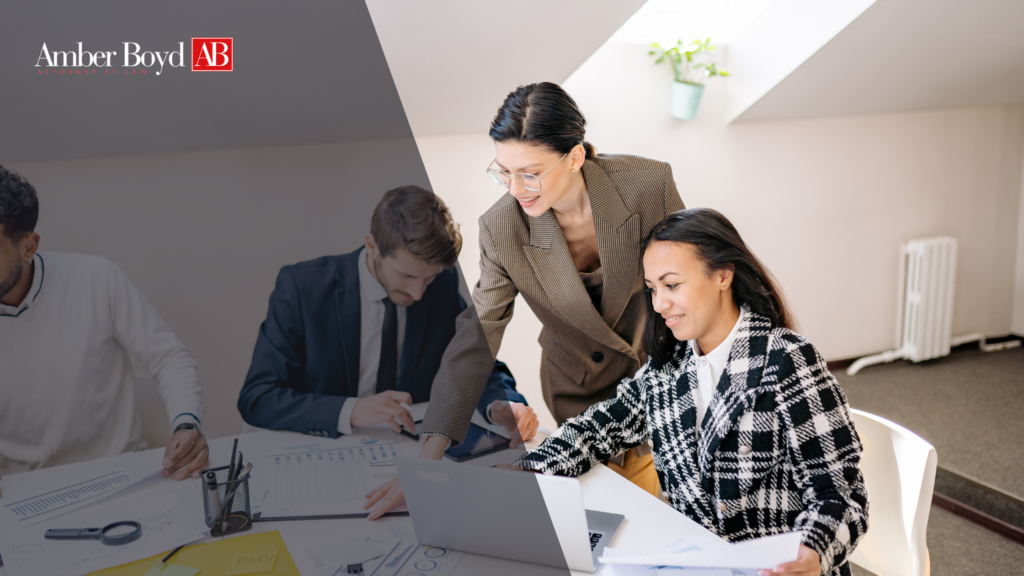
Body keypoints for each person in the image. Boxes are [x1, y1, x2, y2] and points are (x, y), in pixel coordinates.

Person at [365, 82, 685, 518]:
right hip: (578, 389)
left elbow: (687, 281)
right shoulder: (501, 228)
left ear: (575, 157)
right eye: (503, 171)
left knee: (670, 511)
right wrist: (426, 465)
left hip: (660, 372)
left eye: (529, 172)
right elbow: (474, 343)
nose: (516, 189)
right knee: (603, 519)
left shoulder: (647, 185)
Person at [509, 208, 868, 576]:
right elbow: (595, 429)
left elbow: (841, 495)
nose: (659, 304)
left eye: (672, 285)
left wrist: (813, 551)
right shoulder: (669, 366)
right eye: (652, 289)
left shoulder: (788, 359)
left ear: (723, 276)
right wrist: (524, 473)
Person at [237, 185, 538, 442]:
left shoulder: (441, 286)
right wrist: (351, 409)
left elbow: (474, 361)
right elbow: (258, 398)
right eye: (406, 276)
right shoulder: (302, 288)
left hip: (407, 451)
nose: (418, 294)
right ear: (372, 246)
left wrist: (503, 404)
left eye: (428, 278)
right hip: (324, 448)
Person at [0, 165, 208, 490]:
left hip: (119, 479)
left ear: (29, 246)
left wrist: (186, 424)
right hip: (21, 492)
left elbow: (169, 356)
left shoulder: (96, 278)